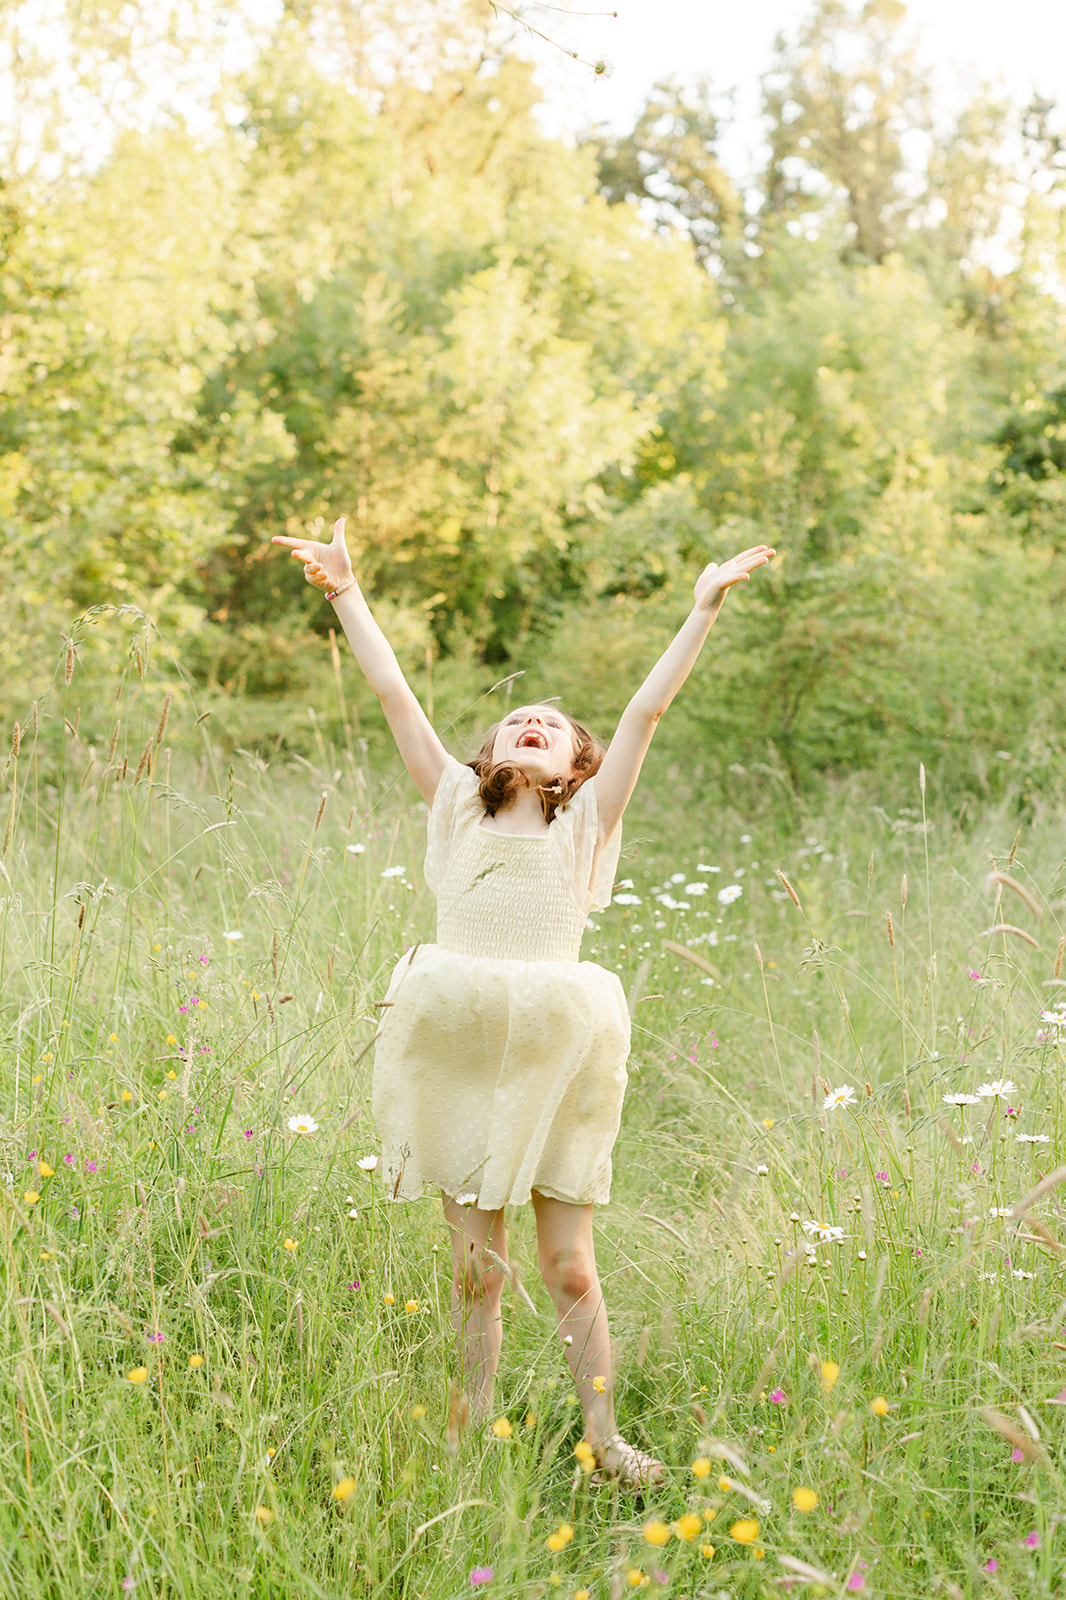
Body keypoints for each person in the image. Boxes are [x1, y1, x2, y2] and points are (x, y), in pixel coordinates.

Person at [272, 518, 774, 1486]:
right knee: (475, 1269)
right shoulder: (454, 806)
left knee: (570, 1266)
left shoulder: (587, 820)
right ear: (491, 752)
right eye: (515, 719)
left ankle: (603, 1436)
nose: (532, 719)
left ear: (576, 763)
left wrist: (701, 606)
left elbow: (644, 713)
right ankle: (470, 1437)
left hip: (557, 1045)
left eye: (553, 722)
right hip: (458, 1040)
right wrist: (345, 592)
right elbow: (392, 693)